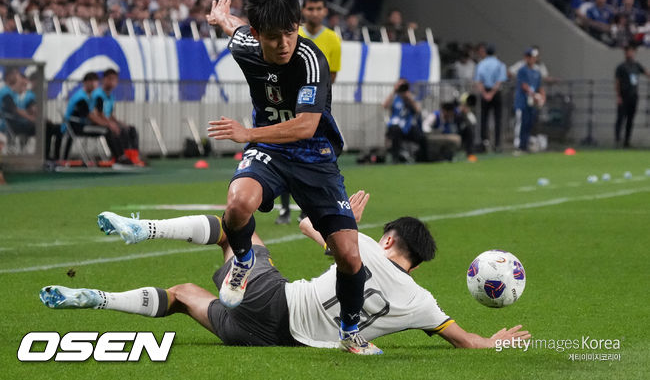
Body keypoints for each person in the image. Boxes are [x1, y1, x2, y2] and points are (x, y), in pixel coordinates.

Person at [44, 190, 531, 352]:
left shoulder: (362, 245)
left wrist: (342, 221)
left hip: (274, 301)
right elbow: (468, 341)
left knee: (235, 226)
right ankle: (100, 299)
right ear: (418, 263)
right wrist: (494, 341)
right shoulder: (425, 304)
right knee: (186, 293)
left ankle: (142, 230)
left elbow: (303, 223)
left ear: (388, 241)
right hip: (269, 339)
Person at [203, 0, 380, 354]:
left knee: (349, 256)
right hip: (270, 150)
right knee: (237, 203)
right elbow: (235, 28)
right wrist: (222, 19)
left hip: (314, 156)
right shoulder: (244, 45)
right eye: (273, 36)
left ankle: (350, 330)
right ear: (257, 35)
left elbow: (305, 126)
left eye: (290, 32)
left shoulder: (309, 57)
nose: (284, 43)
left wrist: (247, 133)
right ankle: (244, 260)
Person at [276, 0, 343, 225]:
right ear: (303, 11)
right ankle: (284, 209)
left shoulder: (333, 39)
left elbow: (331, 75)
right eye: (310, 9)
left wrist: (313, 101)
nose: (314, 13)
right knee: (283, 152)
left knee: (314, 155)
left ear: (325, 11)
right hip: (288, 105)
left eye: (318, 8)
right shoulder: (293, 34)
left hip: (317, 107)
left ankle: (310, 208)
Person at [61, 72, 126, 163]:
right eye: (91, 81)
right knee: (107, 130)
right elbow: (91, 116)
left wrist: (110, 123)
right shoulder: (81, 98)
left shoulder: (89, 97)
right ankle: (119, 159)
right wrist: (108, 124)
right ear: (85, 83)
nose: (94, 84)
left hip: (82, 125)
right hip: (75, 127)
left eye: (95, 82)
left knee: (115, 128)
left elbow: (94, 114)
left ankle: (123, 156)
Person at [91, 68, 145, 165]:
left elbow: (110, 115)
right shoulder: (98, 94)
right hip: (98, 122)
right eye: (110, 79)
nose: (113, 82)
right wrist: (111, 124)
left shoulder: (111, 96)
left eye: (115, 80)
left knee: (130, 129)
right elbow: (99, 114)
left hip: (107, 121)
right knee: (117, 130)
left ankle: (133, 156)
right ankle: (120, 157)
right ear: (104, 80)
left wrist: (119, 122)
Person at [474, 43, 507, 152]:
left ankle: (484, 143)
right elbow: (499, 81)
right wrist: (492, 93)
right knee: (498, 120)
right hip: (496, 93)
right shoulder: (500, 64)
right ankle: (497, 144)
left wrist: (485, 94)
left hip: (485, 92)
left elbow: (479, 81)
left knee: (483, 119)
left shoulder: (481, 64)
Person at [614, 44, 649, 147]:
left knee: (630, 119)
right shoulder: (621, 67)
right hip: (623, 96)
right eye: (628, 51)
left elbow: (646, 73)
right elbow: (617, 82)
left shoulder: (636, 65)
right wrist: (618, 96)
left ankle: (627, 141)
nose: (630, 53)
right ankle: (617, 139)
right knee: (620, 118)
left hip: (633, 96)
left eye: (631, 51)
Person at [383, 78, 425, 163]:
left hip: (408, 126)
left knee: (422, 137)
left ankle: (422, 159)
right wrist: (394, 91)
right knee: (395, 132)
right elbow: (384, 105)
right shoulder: (395, 98)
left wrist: (409, 98)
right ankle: (395, 158)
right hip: (396, 126)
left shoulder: (411, 97)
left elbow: (418, 110)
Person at [514, 48, 546, 153]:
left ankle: (527, 144)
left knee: (530, 123)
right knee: (522, 123)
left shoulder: (537, 71)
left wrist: (542, 97)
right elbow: (524, 85)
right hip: (523, 101)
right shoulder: (522, 70)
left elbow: (540, 86)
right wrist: (534, 94)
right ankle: (520, 145)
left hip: (533, 102)